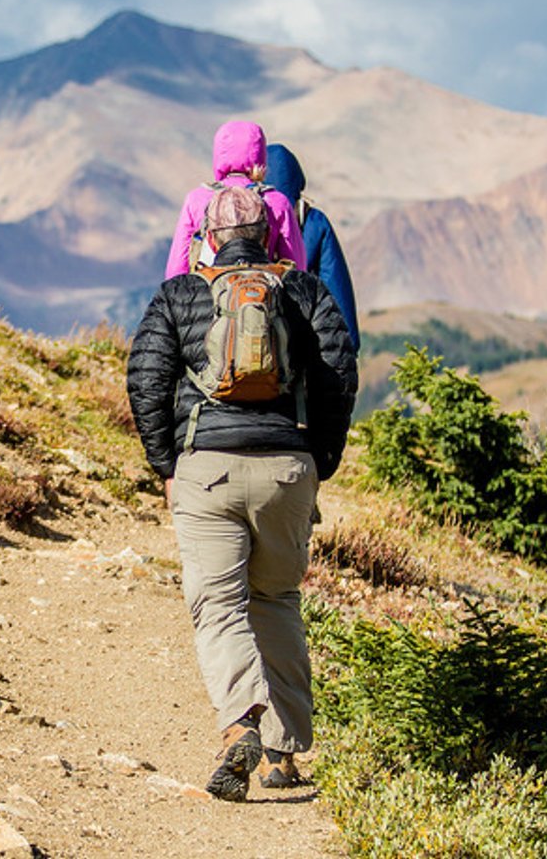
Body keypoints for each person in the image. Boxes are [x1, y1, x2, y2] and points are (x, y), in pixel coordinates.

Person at [126, 185, 358, 801]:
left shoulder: (180, 294)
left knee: (220, 607)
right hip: (287, 467)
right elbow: (340, 371)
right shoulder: (303, 291)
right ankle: (282, 753)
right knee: (277, 599)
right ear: (269, 231)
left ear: (207, 234)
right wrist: (321, 458)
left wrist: (166, 463)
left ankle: (239, 727)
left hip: (207, 469)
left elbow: (145, 377)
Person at [165, 120, 306, 278]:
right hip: (261, 295)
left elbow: (176, 269)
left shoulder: (197, 200)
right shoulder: (277, 201)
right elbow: (297, 267)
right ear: (260, 156)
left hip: (209, 294)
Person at [263, 143, 360, 352]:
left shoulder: (237, 218)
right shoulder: (313, 221)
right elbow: (335, 283)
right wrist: (348, 346)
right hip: (301, 346)